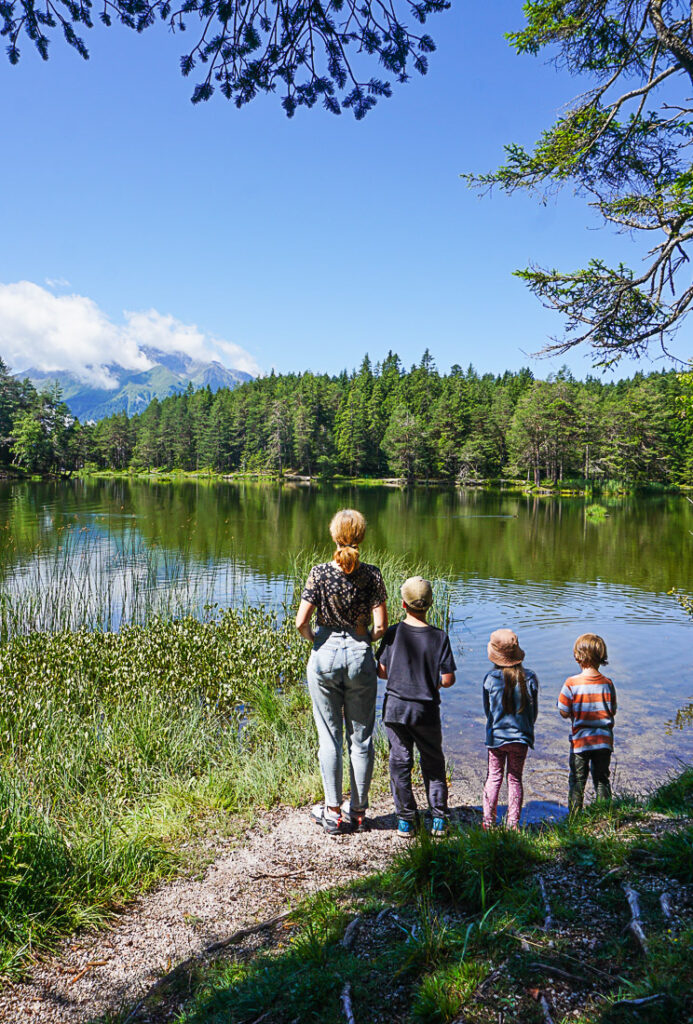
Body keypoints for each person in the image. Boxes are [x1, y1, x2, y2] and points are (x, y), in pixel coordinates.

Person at [295, 509, 388, 835]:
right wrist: (363, 640)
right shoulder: (372, 575)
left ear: (335, 535)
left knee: (329, 738)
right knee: (361, 739)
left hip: (325, 654)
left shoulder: (319, 573)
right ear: (361, 536)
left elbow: (301, 622)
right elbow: (381, 627)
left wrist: (317, 641)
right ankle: (358, 814)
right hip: (360, 655)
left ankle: (333, 812)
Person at [376, 576, 456, 839]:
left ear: (403, 604)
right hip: (426, 711)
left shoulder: (393, 633)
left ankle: (406, 821)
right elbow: (447, 679)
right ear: (430, 604)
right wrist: (433, 680)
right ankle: (439, 820)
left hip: (395, 709)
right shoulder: (439, 637)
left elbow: (382, 671)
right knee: (433, 762)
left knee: (400, 763)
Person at [482, 629, 539, 830]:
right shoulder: (530, 678)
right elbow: (533, 713)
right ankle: (512, 824)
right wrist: (526, 729)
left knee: (494, 777)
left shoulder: (490, 678)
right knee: (515, 779)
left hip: (496, 739)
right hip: (521, 739)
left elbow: (488, 712)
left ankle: (488, 822)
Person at [558, 633, 617, 812]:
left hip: (581, 742)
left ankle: (575, 818)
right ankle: (604, 816)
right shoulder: (607, 683)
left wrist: (574, 713)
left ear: (577, 656)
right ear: (602, 656)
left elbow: (563, 711)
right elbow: (612, 710)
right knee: (602, 780)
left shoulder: (571, 683)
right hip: (604, 741)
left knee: (577, 781)